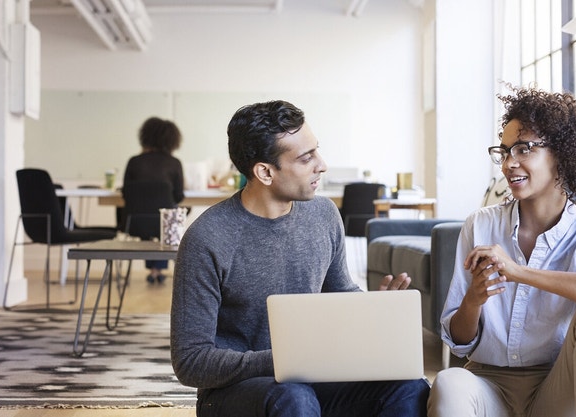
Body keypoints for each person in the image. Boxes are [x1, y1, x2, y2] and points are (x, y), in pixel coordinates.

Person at [170, 100, 430, 417]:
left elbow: (340, 295)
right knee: (292, 397)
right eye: (306, 158)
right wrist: (286, 359)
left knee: (409, 387)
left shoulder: (324, 215)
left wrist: (372, 312)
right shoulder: (208, 238)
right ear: (265, 171)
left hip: (310, 380)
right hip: (233, 394)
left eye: (316, 151)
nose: (321, 165)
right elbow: (190, 361)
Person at [427, 86, 576, 417]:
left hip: (557, 389)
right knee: (449, 383)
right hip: (489, 385)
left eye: (523, 149)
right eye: (504, 151)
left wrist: (519, 272)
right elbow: (459, 340)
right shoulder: (481, 225)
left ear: (561, 154)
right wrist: (473, 300)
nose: (509, 164)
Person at [123, 116, 185, 284]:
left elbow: (126, 193)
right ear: (172, 140)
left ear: (144, 137)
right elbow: (179, 196)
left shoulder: (134, 162)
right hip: (166, 225)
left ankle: (154, 271)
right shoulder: (174, 163)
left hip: (135, 222)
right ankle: (157, 270)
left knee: (151, 222)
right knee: (166, 220)